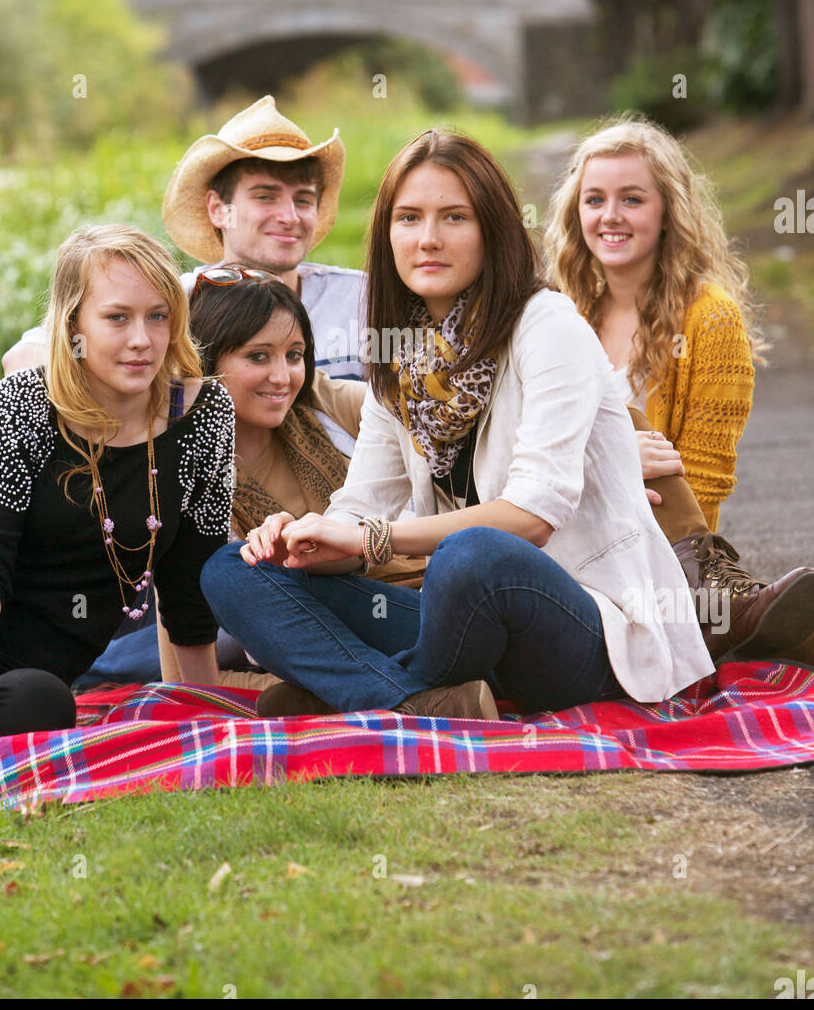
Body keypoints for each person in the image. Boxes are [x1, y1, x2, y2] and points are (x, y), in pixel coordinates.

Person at [200, 128, 717, 721]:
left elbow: (531, 517)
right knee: (233, 570)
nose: (427, 239)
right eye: (409, 218)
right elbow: (364, 502)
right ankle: (407, 700)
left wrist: (374, 540)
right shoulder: (401, 357)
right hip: (464, 626)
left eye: (453, 218)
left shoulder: (546, 326)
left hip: (587, 628)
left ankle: (348, 692)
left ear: (491, 229)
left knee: (471, 554)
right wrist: (307, 538)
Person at [1, 95, 364, 686]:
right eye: (266, 196)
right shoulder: (172, 301)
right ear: (218, 208)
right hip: (201, 518)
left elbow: (403, 409)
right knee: (176, 584)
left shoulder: (361, 300)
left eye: (304, 199)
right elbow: (34, 355)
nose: (289, 215)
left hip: (332, 517)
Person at [542, 116, 814, 663]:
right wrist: (615, 463)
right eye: (594, 199)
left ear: (668, 212)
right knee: (623, 430)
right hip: (565, 526)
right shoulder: (560, 314)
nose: (610, 216)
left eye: (633, 199)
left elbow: (703, 488)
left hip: (666, 550)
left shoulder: (709, 319)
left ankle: (720, 612)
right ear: (577, 212)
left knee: (631, 431)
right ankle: (736, 628)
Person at [0, 225, 234, 743]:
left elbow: (191, 580)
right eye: (117, 318)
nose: (141, 340)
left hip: (29, 680)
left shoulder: (205, 413)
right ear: (73, 323)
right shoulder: (25, 402)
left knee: (45, 703)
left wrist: (208, 709)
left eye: (158, 316)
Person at [157, 266, 425, 690]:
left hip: (422, 601)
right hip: (328, 651)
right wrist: (304, 692)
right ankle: (401, 689)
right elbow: (189, 681)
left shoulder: (321, 401)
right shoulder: (184, 478)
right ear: (203, 360)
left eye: (294, 355)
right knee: (235, 572)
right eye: (257, 356)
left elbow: (420, 409)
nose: (282, 377)